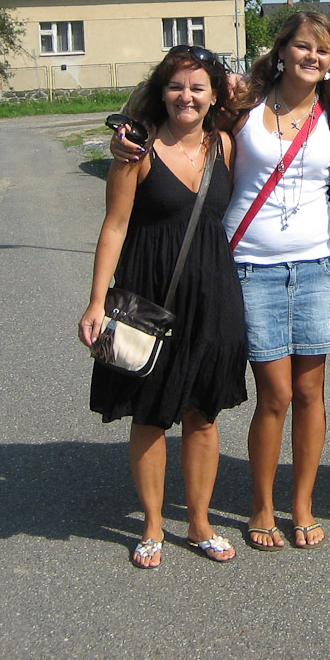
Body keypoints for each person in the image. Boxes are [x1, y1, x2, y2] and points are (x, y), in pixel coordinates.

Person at [78, 45, 247, 569]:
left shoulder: (225, 145)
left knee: (203, 414)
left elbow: (267, 94)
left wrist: (238, 82)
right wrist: (96, 302)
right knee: (149, 415)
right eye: (176, 86)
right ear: (161, 92)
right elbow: (114, 227)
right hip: (150, 294)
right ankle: (152, 524)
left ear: (214, 95)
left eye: (198, 87)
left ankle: (199, 523)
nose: (186, 97)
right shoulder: (137, 150)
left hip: (213, 293)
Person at [224, 12, 330, 551]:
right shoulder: (243, 105)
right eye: (302, 46)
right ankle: (261, 505)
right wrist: (127, 143)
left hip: (319, 264)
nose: (312, 57)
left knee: (310, 391)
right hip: (252, 265)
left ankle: (302, 504)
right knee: (274, 393)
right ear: (281, 51)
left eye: (323, 50)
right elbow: (179, 121)